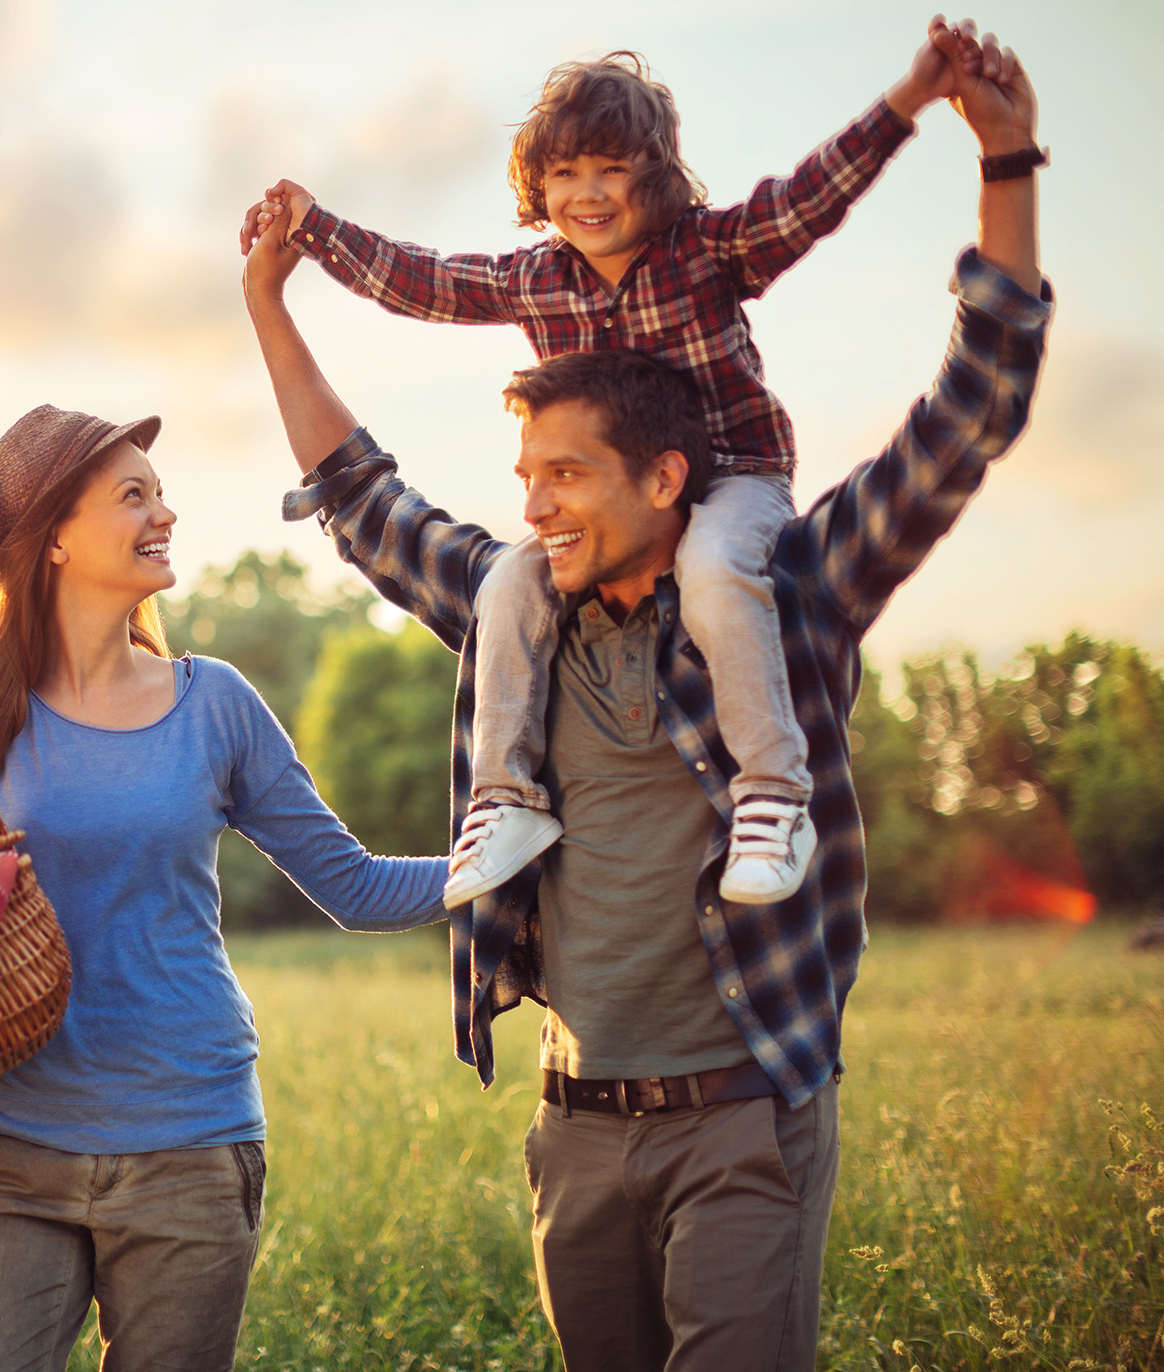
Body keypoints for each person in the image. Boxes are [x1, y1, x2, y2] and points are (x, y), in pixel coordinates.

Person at [239, 22, 1046, 1371]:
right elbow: (362, 499)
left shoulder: (790, 594)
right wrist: (272, 299)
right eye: (525, 472)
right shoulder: (520, 610)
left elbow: (974, 403)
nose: (529, 503)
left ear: (663, 478)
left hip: (743, 1116)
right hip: (572, 1123)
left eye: (562, 475)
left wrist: (1005, 159)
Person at [240, 17, 979, 909]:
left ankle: (775, 791)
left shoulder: (707, 250)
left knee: (711, 572)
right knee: (509, 586)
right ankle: (508, 798)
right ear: (538, 185)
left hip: (733, 482)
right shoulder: (537, 280)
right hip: (610, 521)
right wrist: (314, 229)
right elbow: (423, 279)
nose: (588, 194)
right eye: (565, 174)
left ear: (656, 174)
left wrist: (908, 100)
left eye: (612, 169)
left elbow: (808, 197)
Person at [0, 404, 450, 1371]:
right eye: (133, 496)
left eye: (160, 492)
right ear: (56, 539)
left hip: (190, 1148)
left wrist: (504, 862)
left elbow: (353, 888)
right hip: (8, 1149)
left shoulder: (216, 706)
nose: (166, 514)